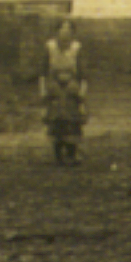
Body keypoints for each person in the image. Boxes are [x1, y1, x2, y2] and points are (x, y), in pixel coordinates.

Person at [40, 19, 87, 166]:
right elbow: (43, 71)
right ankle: (58, 155)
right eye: (62, 28)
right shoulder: (50, 47)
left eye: (68, 29)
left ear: (72, 32)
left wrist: (82, 92)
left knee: (72, 120)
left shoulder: (76, 48)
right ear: (57, 31)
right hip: (54, 86)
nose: (65, 32)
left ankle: (72, 154)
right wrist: (43, 90)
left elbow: (82, 73)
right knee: (56, 119)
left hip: (71, 87)